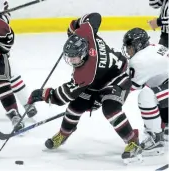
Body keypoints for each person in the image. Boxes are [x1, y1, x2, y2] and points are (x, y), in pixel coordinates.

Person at [27, 13, 142, 164]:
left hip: (117, 78)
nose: (71, 61)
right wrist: (75, 26)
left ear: (83, 54)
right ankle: (63, 134)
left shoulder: (86, 73)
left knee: (110, 109)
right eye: (69, 57)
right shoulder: (86, 34)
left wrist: (44, 95)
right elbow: (94, 17)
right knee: (75, 106)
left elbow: (64, 95)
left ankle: (132, 141)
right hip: (97, 80)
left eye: (74, 58)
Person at [122, 27, 168, 155]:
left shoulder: (138, 60)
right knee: (156, 88)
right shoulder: (154, 47)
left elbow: (129, 88)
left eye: (129, 46)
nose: (127, 50)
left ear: (138, 45)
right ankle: (166, 123)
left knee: (146, 96)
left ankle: (156, 138)